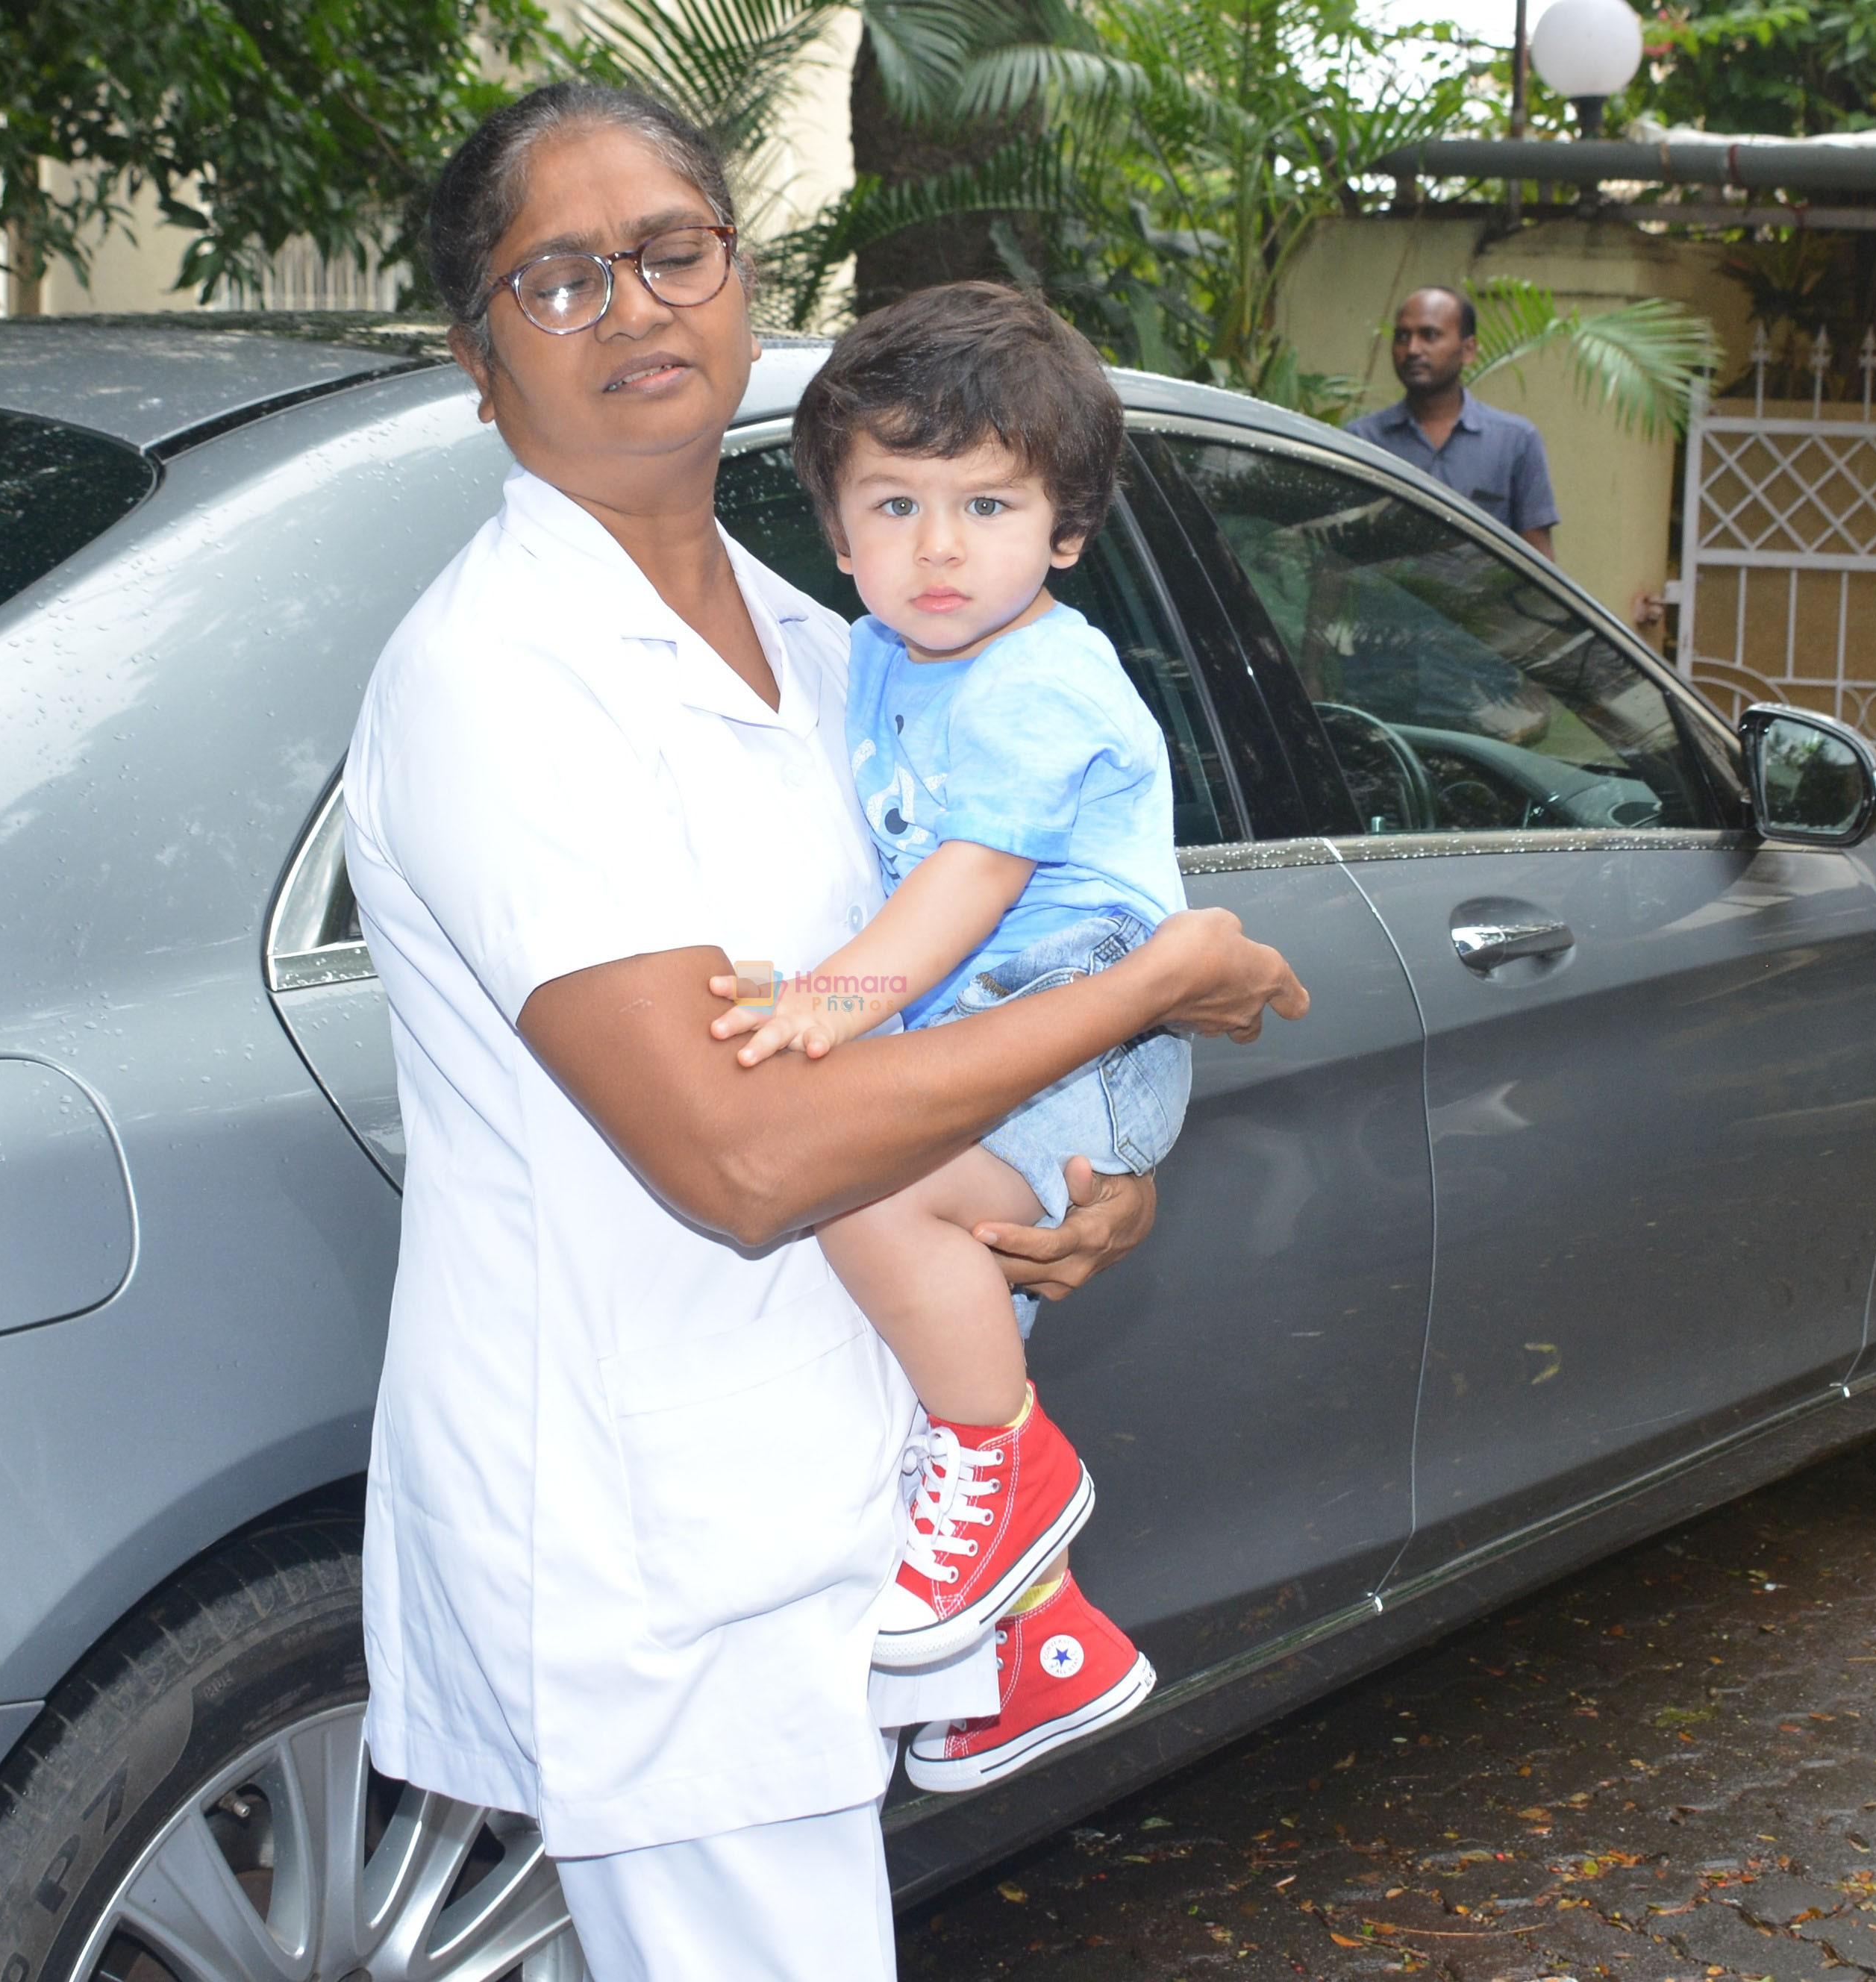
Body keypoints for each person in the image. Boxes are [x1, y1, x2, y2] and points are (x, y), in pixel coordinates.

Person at [340, 81, 1307, 1982]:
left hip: (824, 1490)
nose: (633, 306)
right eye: (557, 277)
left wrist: (1080, 1182)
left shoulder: (833, 638)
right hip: (650, 1531)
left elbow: (951, 999)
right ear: (477, 361)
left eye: (672, 250)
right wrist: (1149, 987)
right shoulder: (500, 684)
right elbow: (746, 1154)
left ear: (746, 282)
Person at [704, 281, 1188, 1794]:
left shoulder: (1042, 676)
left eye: (984, 504)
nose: (935, 545)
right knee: (927, 1316)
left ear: (1062, 530)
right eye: (893, 502)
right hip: (999, 1032)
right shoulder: (886, 656)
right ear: (835, 532)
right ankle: (1043, 1645)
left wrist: (828, 1001)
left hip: (1072, 1033)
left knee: (868, 1180)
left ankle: (1015, 1467)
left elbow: (970, 879)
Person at [1347, 286, 1559, 557]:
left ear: (1468, 350)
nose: (1412, 349)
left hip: (1482, 600)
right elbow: (1340, 554)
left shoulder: (1514, 441)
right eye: (1402, 337)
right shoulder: (1362, 441)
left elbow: (1537, 556)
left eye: (1430, 335)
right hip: (1386, 598)